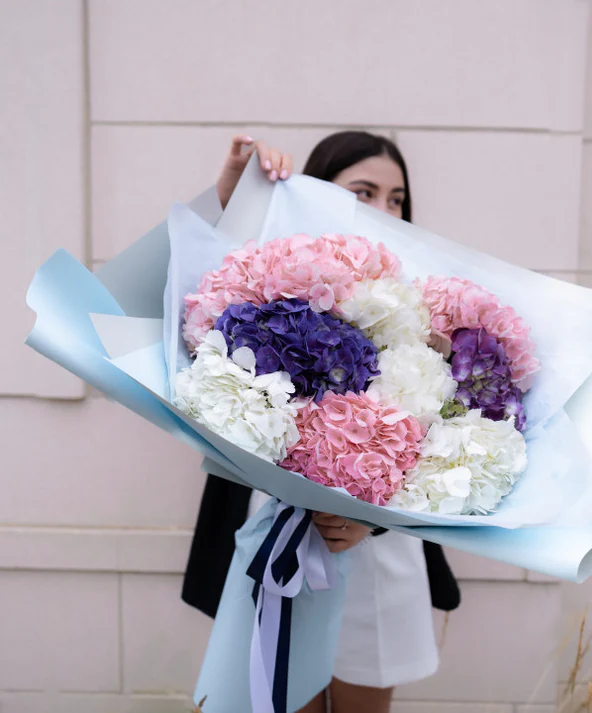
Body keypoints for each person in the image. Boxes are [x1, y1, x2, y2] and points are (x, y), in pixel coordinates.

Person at [182, 131, 460, 713]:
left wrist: (370, 518)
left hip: (376, 551)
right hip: (281, 533)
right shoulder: (272, 283)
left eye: (396, 198)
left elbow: (443, 436)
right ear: (318, 195)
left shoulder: (426, 299)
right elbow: (190, 303)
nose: (383, 210)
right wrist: (240, 197)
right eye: (363, 192)